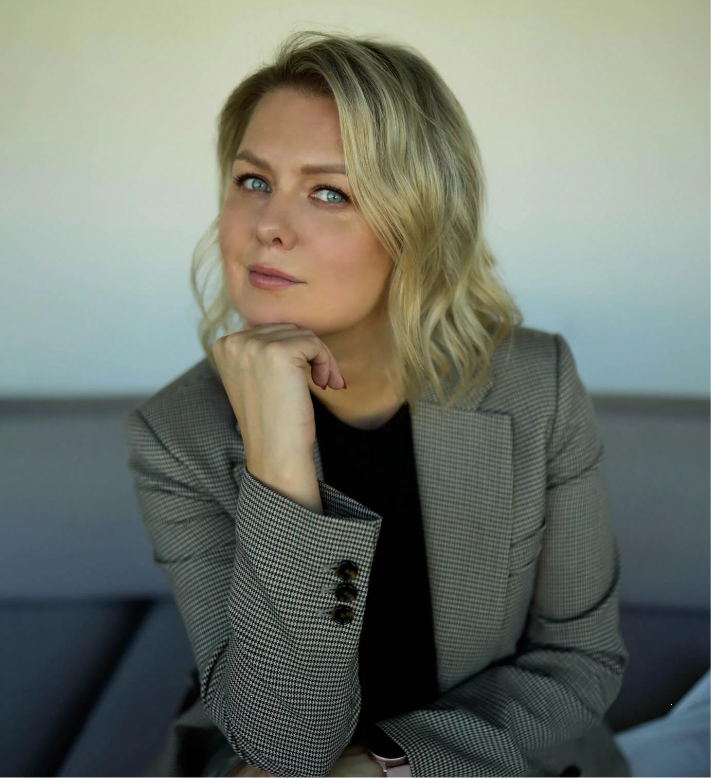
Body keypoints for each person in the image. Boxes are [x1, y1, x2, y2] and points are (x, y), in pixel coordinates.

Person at [124, 30, 631, 778]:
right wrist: (278, 464)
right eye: (253, 181)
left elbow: (579, 660)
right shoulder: (176, 433)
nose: (267, 225)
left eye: (329, 192)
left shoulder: (535, 385)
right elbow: (284, 746)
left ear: (418, 224)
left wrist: (386, 765)